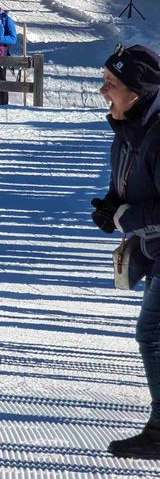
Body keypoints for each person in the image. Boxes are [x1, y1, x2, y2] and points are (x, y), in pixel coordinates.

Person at [92, 44, 160, 459]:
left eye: (112, 83)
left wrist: (126, 217)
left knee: (152, 333)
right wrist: (111, 206)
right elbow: (129, 183)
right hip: (155, 249)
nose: (104, 90)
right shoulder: (131, 127)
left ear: (137, 91)